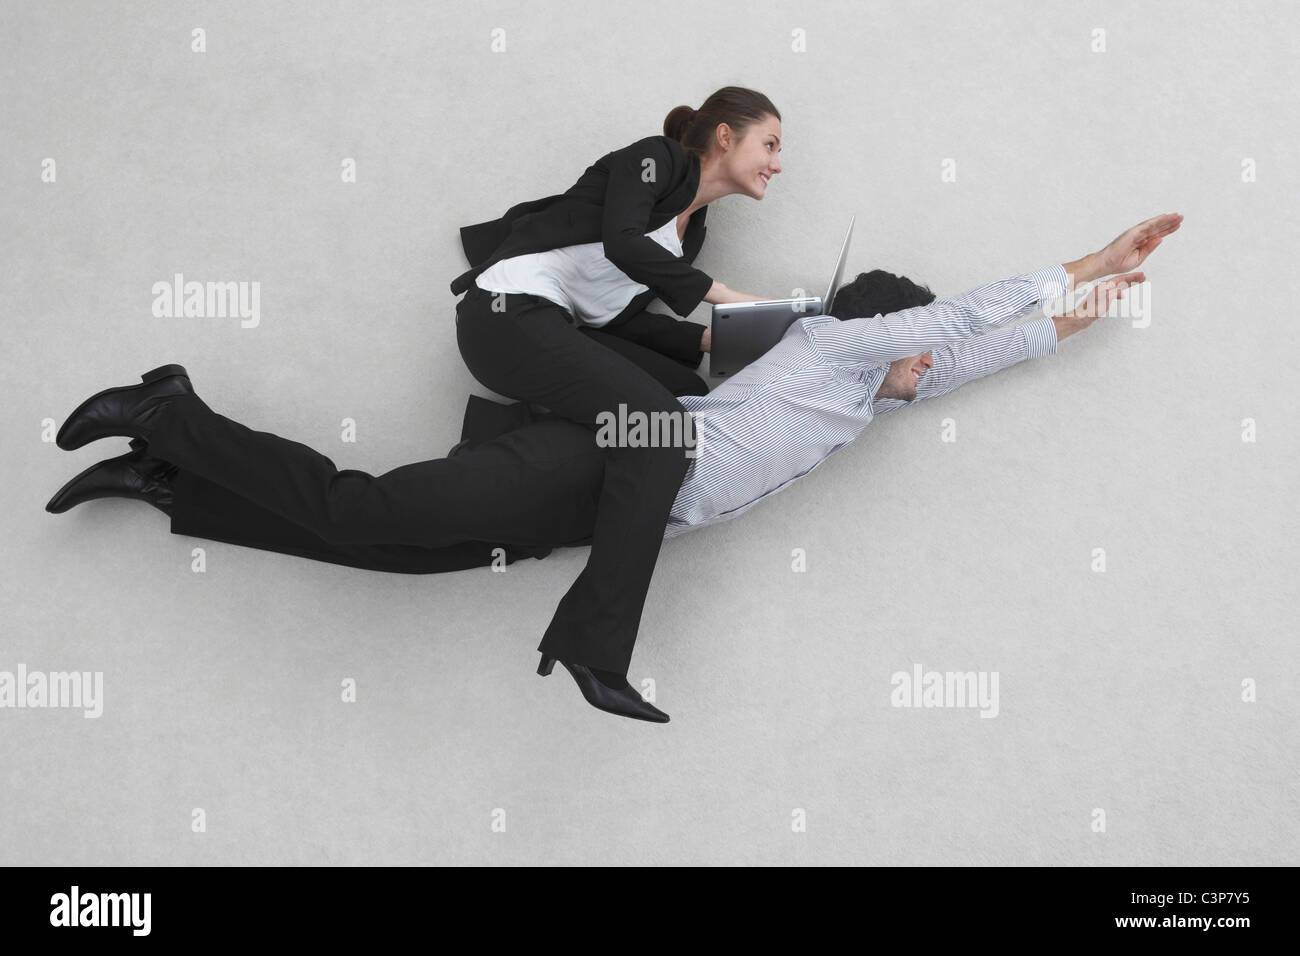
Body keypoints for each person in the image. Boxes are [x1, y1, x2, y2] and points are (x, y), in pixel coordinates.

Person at [45, 214, 1182, 722]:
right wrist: (1085, 249)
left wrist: (1099, 297)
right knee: (369, 505)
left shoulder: (883, 394)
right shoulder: (836, 344)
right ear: (888, 332)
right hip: (613, 457)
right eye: (917, 348)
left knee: (390, 552)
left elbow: (1001, 343)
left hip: (610, 514)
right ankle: (173, 411)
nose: (929, 365)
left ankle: (170, 485)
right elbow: (973, 310)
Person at [451, 87, 782, 717]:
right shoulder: (653, 161)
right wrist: (733, 300)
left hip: (555, 328)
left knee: (685, 397)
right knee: (662, 432)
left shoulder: (692, 235)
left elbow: (618, 324)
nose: (776, 162)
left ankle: (494, 436)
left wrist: (725, 338)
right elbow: (620, 242)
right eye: (769, 143)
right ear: (724, 137)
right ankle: (594, 648)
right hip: (503, 314)